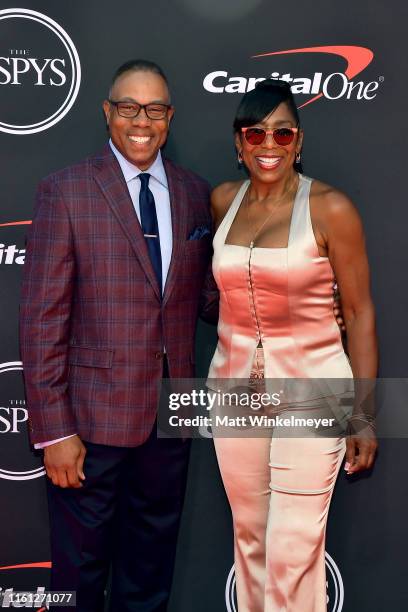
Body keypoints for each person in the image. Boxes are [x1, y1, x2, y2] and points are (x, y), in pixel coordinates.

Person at [19, 59, 212, 612]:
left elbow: (200, 298)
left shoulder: (194, 193)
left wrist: (283, 302)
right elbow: (41, 321)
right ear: (108, 113)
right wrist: (54, 430)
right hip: (90, 426)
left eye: (154, 109)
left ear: (169, 117)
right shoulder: (66, 191)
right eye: (129, 107)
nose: (141, 121)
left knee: (149, 574)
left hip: (170, 420)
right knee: (77, 576)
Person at [207, 79, 377, 612]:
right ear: (239, 143)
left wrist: (364, 414)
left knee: (291, 550)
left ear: (299, 141)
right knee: (251, 542)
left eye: (283, 132)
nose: (269, 144)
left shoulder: (331, 209)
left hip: (315, 391)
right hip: (235, 390)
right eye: (255, 132)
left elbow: (359, 313)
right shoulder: (222, 201)